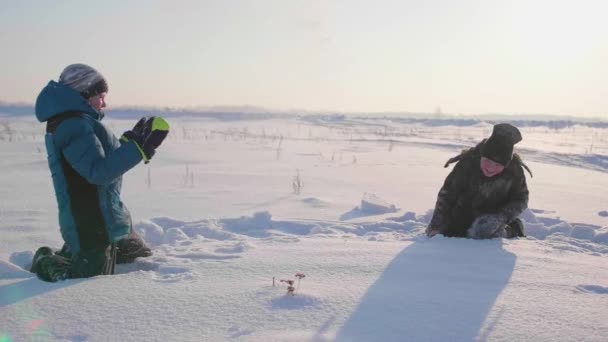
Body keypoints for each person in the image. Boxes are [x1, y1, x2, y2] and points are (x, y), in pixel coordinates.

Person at [31, 63, 169, 281]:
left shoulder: (82, 122)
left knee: (136, 254)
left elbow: (103, 157)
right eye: (101, 96)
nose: (104, 103)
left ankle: (83, 250)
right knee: (89, 276)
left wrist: (131, 141)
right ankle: (45, 260)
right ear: (84, 94)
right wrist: (138, 149)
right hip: (88, 220)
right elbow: (98, 172)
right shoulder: (71, 126)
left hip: (110, 215)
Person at [426, 123, 532, 239]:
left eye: (497, 164)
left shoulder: (514, 171)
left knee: (484, 233)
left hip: (494, 216)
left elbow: (521, 199)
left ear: (506, 165)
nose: (490, 167)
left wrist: (499, 218)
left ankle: (512, 230)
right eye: (487, 160)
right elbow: (447, 195)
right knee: (449, 232)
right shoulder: (467, 162)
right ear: (481, 155)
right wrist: (437, 225)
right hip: (462, 214)